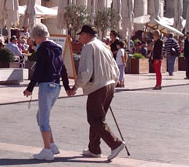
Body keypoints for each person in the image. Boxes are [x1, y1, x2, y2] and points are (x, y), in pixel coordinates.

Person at [24, 23, 74, 161]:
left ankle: (47, 150)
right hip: (56, 86)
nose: (35, 41)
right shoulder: (57, 48)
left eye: (35, 38)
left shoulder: (42, 49)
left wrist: (30, 88)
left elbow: (38, 70)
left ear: (38, 36)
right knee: (41, 116)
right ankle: (52, 145)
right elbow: (63, 69)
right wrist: (67, 88)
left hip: (46, 86)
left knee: (43, 120)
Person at [75, 25, 125, 160]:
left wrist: (76, 85)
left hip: (98, 87)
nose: (80, 38)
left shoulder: (88, 47)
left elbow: (86, 71)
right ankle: (94, 148)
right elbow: (114, 66)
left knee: (94, 119)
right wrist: (114, 82)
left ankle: (116, 144)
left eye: (81, 35)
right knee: (98, 118)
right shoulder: (104, 46)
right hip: (109, 85)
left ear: (86, 34)